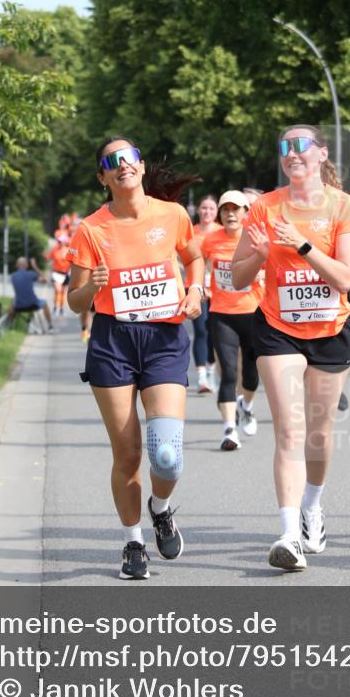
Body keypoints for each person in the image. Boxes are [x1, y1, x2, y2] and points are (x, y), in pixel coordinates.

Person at [67, 137, 204, 580]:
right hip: (113, 342)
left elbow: (194, 257)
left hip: (164, 338)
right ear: (103, 177)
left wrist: (197, 289)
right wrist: (94, 286)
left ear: (141, 167)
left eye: (129, 158)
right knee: (126, 454)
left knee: (167, 456)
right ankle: (133, 542)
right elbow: (74, 300)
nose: (122, 165)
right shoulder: (91, 229)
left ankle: (160, 508)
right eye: (112, 161)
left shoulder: (174, 215)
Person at [232, 125, 350, 571]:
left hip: (331, 329)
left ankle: (313, 506)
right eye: (284, 147)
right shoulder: (264, 207)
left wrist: (303, 245)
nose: (291, 153)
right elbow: (237, 277)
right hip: (277, 328)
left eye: (300, 145)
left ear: (321, 153)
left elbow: (345, 279)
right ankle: (289, 534)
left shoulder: (343, 206)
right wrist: (260, 254)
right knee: (289, 430)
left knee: (318, 433)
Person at [201, 191, 264, 450]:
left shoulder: (256, 238)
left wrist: (263, 277)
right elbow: (199, 265)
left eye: (236, 209)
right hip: (222, 313)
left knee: (250, 374)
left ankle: (246, 407)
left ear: (245, 213)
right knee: (228, 372)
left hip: (253, 313)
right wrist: (200, 286)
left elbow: (275, 266)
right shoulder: (210, 240)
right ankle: (229, 430)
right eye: (225, 209)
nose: (230, 214)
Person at [191, 194, 221, 392]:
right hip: (195, 287)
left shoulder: (223, 231)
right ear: (198, 210)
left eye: (211, 208)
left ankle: (211, 369)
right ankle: (202, 377)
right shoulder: (190, 232)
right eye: (204, 208)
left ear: (216, 211)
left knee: (214, 331)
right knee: (200, 330)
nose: (207, 212)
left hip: (219, 290)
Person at [9, 257, 53, 330]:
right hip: (32, 304)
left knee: (12, 303)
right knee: (45, 303)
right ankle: (50, 325)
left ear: (16, 265)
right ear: (26, 265)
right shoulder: (31, 274)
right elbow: (44, 280)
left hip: (18, 306)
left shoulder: (13, 276)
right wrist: (35, 266)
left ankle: (10, 324)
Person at [47, 232, 71, 315]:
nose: (59, 243)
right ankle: (55, 307)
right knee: (58, 290)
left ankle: (61, 308)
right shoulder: (55, 250)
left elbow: (75, 260)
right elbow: (48, 258)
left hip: (66, 273)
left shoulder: (69, 250)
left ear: (65, 242)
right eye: (58, 241)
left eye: (61, 241)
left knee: (63, 292)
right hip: (56, 273)